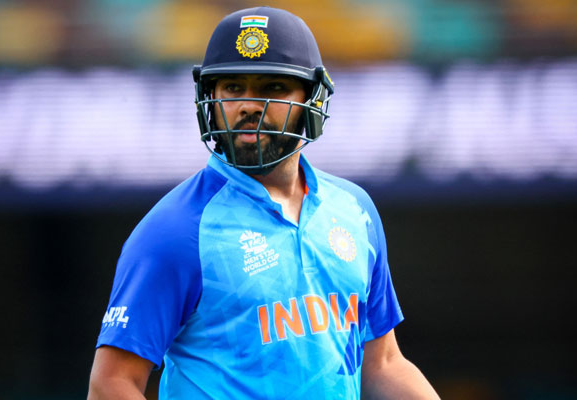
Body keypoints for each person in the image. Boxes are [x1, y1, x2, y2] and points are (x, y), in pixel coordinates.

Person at [88, 6, 439, 400]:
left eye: (272, 88)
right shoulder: (175, 230)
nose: (249, 105)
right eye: (233, 88)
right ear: (211, 97)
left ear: (312, 97)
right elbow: (111, 384)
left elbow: (383, 362)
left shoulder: (355, 212)